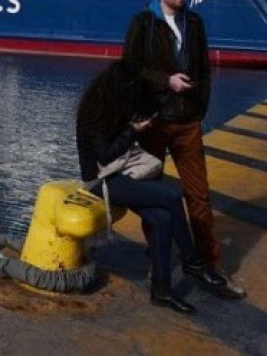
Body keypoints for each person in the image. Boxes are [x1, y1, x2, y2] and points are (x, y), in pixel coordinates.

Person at [122, 0, 246, 299]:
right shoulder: (143, 23)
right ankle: (156, 258)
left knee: (199, 195)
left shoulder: (194, 21)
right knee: (153, 197)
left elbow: (204, 69)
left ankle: (210, 262)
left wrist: (198, 109)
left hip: (188, 123)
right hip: (154, 123)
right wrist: (166, 81)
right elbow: (130, 69)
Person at [76, 60, 206, 314]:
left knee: (161, 219)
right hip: (100, 181)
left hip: (121, 175)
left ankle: (162, 291)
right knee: (171, 196)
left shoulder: (114, 105)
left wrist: (166, 91)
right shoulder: (94, 113)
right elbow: (104, 156)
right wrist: (132, 131)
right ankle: (192, 260)